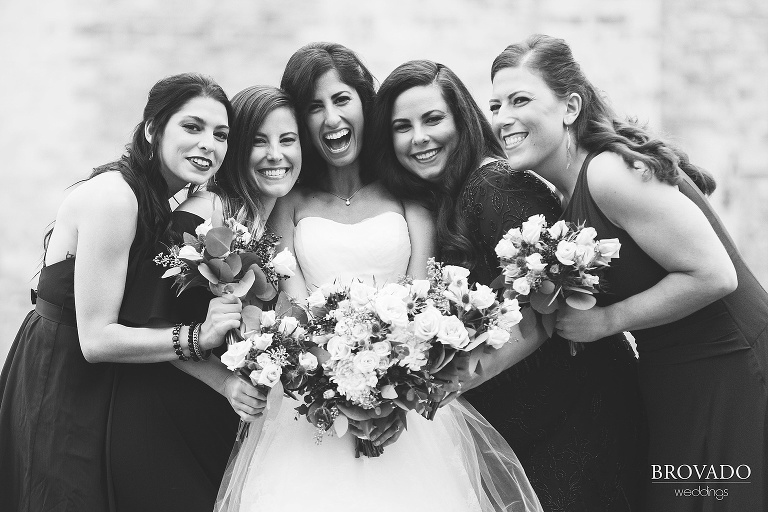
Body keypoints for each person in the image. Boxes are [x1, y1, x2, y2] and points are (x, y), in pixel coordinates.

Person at [214, 42, 542, 512]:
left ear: (365, 104)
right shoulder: (291, 203)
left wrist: (394, 400)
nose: (331, 119)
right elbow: (294, 309)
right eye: (313, 107)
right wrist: (340, 393)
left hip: (404, 404)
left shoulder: (408, 195)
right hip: (317, 406)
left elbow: (420, 299)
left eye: (342, 100)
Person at [490, 34, 768, 511]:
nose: (502, 119)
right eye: (495, 106)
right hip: (673, 376)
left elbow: (714, 275)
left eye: (520, 100)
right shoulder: (566, 196)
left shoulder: (607, 174)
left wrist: (606, 321)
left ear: (570, 106)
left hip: (730, 369)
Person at [372, 59, 647, 512]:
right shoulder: (438, 200)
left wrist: (455, 380)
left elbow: (550, 304)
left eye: (433, 119)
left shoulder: (496, 187)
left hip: (577, 408)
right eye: (402, 127)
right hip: (521, 416)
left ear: (462, 121)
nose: (419, 137)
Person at [0, 73, 245, 512]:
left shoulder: (161, 198)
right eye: (192, 127)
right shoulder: (115, 198)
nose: (209, 144)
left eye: (220, 134)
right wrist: (196, 337)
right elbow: (95, 340)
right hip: (61, 374)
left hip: (109, 381)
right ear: (153, 129)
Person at [109, 84, 301, 512]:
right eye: (258, 141)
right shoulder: (204, 213)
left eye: (288, 140)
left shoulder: (270, 219)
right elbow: (144, 316)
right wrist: (226, 382)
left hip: (223, 420)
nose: (276, 155)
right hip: (167, 415)